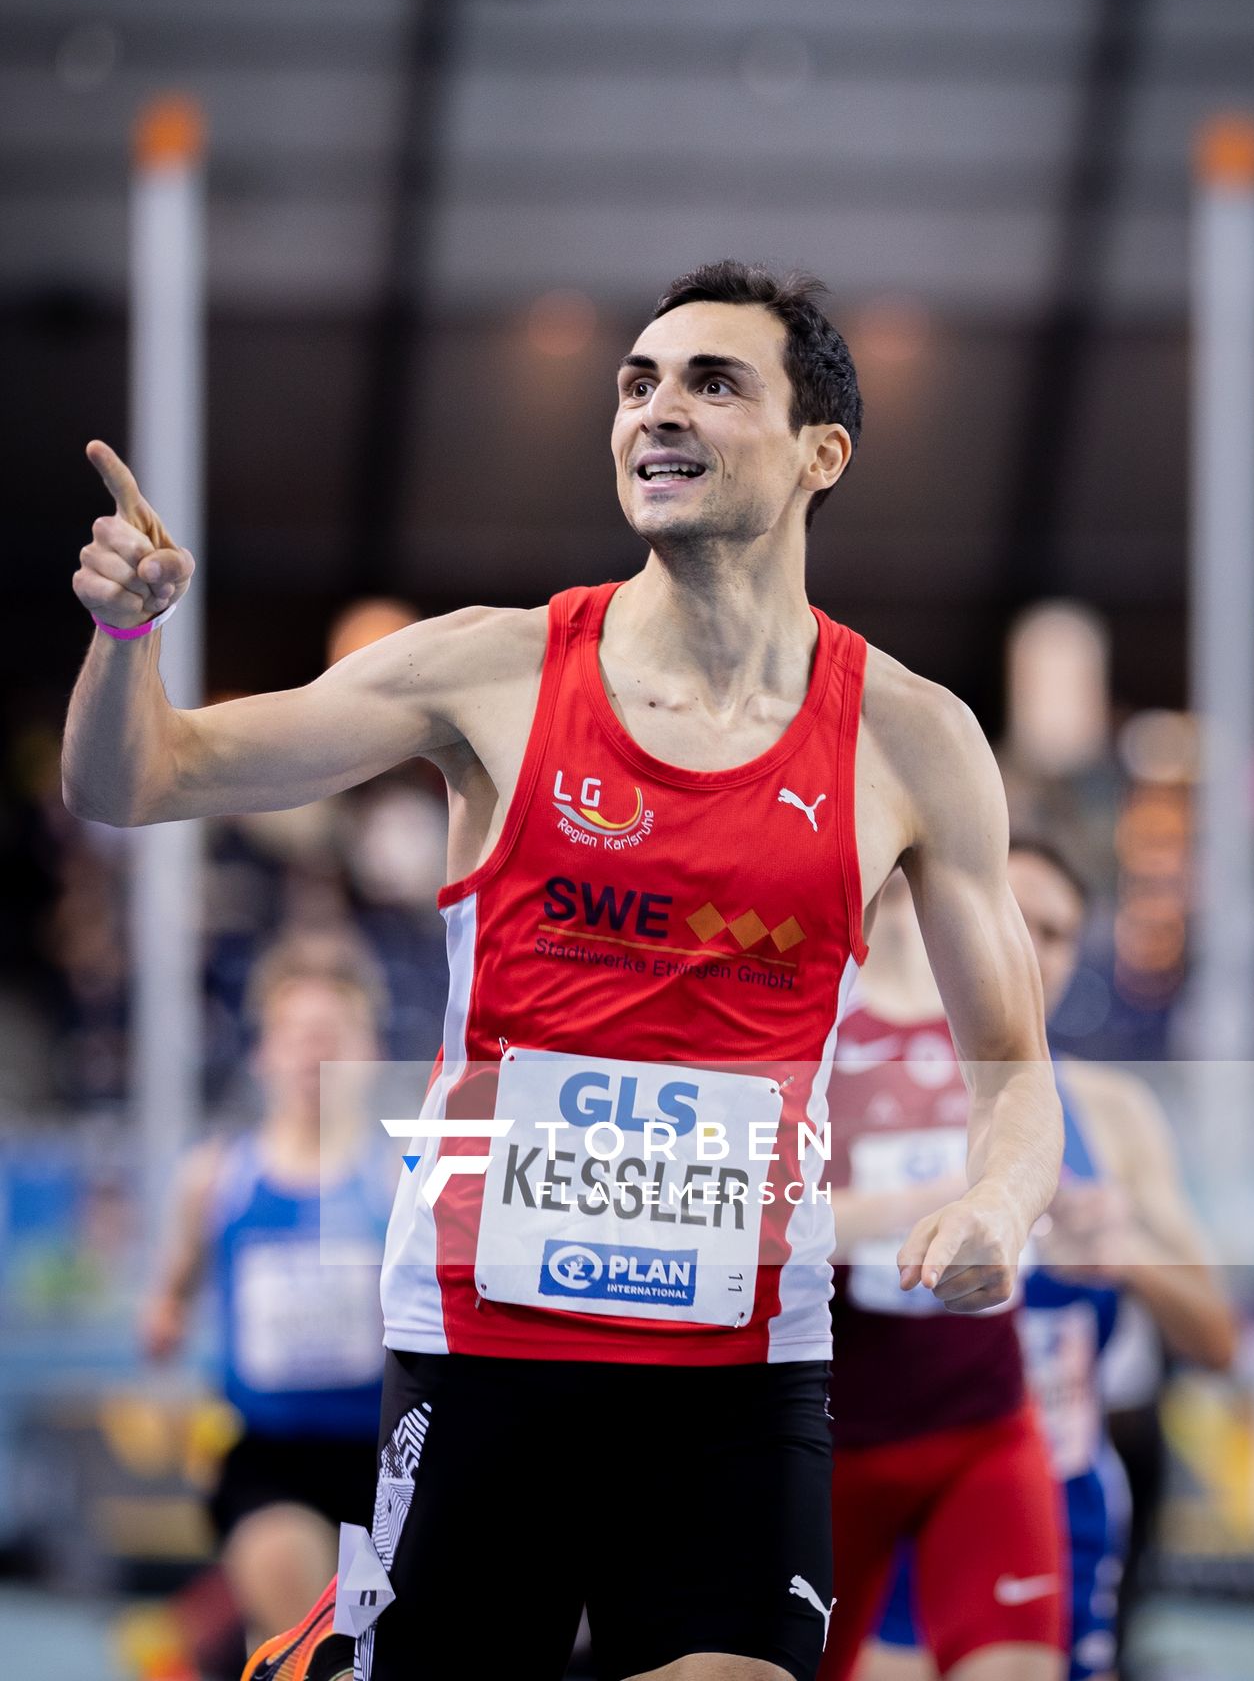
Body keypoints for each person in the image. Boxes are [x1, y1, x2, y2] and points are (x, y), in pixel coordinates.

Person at [64, 260, 1063, 1681]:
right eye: (637, 383)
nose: (657, 411)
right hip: (485, 1353)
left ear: (820, 452)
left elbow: (1015, 1071)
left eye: (713, 383)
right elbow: (140, 780)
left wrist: (999, 1198)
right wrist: (125, 637)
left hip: (740, 1372)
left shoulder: (912, 738)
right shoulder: (497, 674)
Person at [849, 840, 1237, 1681]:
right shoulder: (860, 1074)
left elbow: (1218, 1340)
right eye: (1014, 921)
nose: (1029, 952)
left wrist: (1121, 1254)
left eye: (1056, 933)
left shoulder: (1111, 1112)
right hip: (879, 1459)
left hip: (1046, 1491)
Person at [821, 868, 1066, 1681]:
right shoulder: (818, 1027)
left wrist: (1019, 1208)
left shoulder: (1003, 1041)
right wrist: (918, 1203)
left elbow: (1038, 1175)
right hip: (831, 1437)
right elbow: (751, 1223)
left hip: (982, 1425)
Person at [140, 935, 390, 1661]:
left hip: (382, 1464)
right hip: (268, 1457)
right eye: (297, 1036)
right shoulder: (217, 1178)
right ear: (264, 1054)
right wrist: (163, 1324)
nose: (314, 1057)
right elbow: (172, 1294)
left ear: (368, 1052)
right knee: (288, 1600)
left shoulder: (401, 1182)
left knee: (372, 1651)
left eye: (332, 1037)